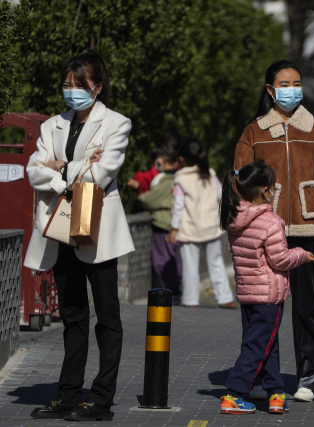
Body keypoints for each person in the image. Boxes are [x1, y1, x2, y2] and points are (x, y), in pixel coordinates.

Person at [25, 50, 134, 421]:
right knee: (71, 315)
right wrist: (71, 170)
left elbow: (100, 176)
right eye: (66, 85)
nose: (70, 91)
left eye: (79, 85)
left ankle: (101, 399)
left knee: (107, 317)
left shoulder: (117, 123)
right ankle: (68, 395)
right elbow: (33, 171)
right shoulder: (52, 125)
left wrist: (59, 167)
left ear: (98, 87)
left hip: (97, 227)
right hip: (61, 224)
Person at [234, 60, 314, 401]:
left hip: (306, 227)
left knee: (307, 307)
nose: (292, 89)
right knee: (262, 307)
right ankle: (260, 375)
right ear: (270, 89)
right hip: (265, 229)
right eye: (284, 83)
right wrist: (244, 223)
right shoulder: (253, 131)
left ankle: (311, 379)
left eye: (297, 83)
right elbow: (238, 179)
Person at [218, 162, 314, 415]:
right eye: (272, 187)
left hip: (248, 293)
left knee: (265, 343)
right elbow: (280, 259)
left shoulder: (233, 218)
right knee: (256, 346)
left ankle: (275, 392)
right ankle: (235, 393)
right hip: (268, 296)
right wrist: (303, 255)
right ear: (264, 191)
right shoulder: (271, 222)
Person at [168, 137, 236, 308]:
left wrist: (174, 228)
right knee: (216, 262)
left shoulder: (180, 179)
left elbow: (178, 206)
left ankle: (190, 299)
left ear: (181, 159)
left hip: (189, 229)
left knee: (190, 266)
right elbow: (221, 197)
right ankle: (225, 298)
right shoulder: (210, 174)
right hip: (211, 227)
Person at [137, 141, 182, 304]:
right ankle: (177, 293)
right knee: (176, 261)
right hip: (179, 227)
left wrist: (141, 196)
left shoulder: (162, 179)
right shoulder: (181, 176)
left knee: (162, 263)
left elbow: (149, 200)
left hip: (163, 226)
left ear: (161, 160)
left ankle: (169, 296)